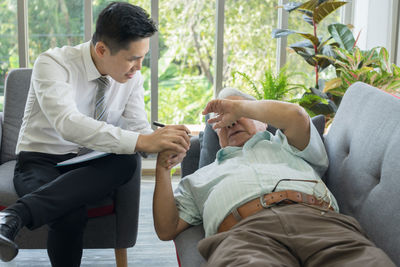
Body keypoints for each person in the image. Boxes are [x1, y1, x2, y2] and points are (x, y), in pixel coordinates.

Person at [0, 2, 190, 266]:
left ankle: (14, 216)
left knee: (126, 161)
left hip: (90, 164)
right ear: (101, 49)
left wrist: (166, 143)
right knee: (70, 215)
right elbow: (67, 123)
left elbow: (138, 129)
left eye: (142, 57)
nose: (138, 67)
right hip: (40, 161)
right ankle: (12, 219)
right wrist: (142, 140)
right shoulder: (53, 63)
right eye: (132, 58)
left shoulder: (132, 78)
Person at [153, 87, 395, 266]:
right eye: (220, 121)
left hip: (320, 223)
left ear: (262, 121)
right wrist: (162, 168)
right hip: (245, 235)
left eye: (237, 113)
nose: (230, 122)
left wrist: (239, 106)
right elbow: (167, 228)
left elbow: (297, 116)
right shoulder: (200, 177)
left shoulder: (290, 144)